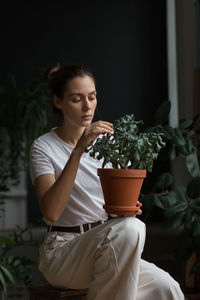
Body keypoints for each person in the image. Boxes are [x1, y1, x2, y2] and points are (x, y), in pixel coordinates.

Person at [29, 64, 184, 300]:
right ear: (58, 102)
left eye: (92, 97)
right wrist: (79, 150)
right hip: (64, 252)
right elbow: (51, 212)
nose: (87, 106)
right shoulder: (43, 147)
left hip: (109, 243)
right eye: (76, 99)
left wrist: (130, 205)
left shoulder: (109, 141)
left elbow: (119, 198)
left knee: (167, 288)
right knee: (132, 227)